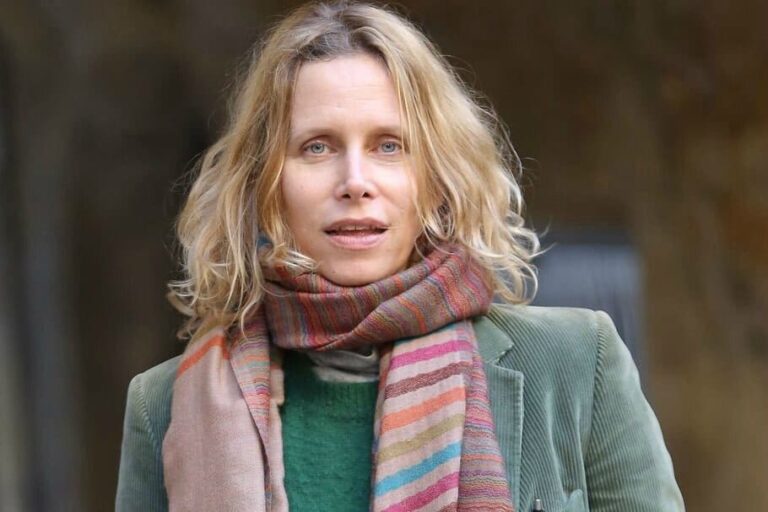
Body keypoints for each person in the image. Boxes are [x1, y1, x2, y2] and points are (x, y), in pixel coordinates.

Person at [116, 2, 685, 511]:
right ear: (264, 185)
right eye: (317, 147)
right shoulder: (164, 406)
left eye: (389, 146)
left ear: (436, 178)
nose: (355, 181)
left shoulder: (577, 363)